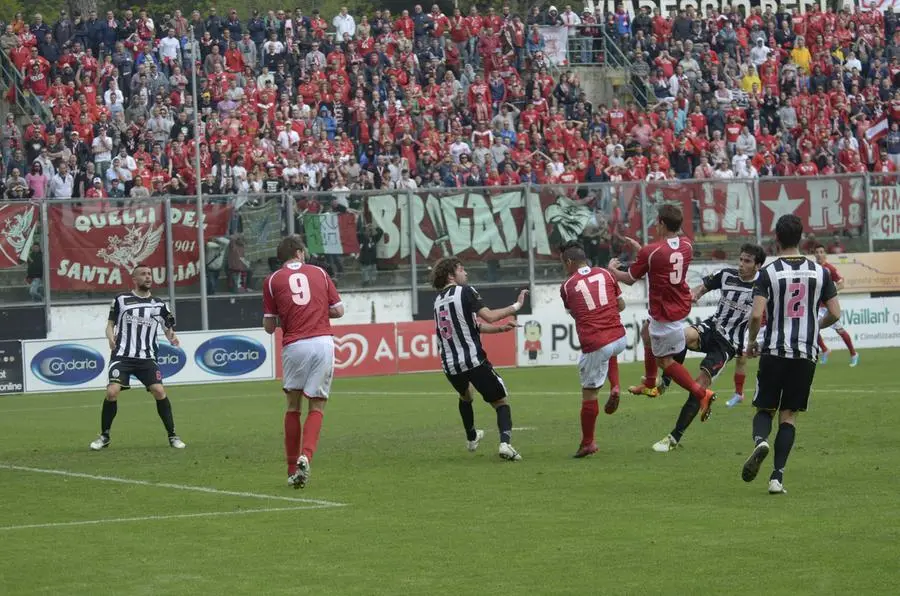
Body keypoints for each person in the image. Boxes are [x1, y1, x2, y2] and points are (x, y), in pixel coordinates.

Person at [742, 214, 841, 495]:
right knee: (789, 416)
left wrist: (751, 342)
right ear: (801, 238)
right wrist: (814, 328)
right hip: (805, 352)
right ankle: (777, 478)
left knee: (764, 408)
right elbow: (835, 313)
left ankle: (761, 440)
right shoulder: (820, 272)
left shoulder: (768, 273)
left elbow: (757, 314)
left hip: (774, 349)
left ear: (776, 239)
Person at [652, 244, 766, 453]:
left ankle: (674, 437)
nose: (741, 264)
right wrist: (693, 296)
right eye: (740, 259)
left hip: (728, 344)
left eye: (747, 261)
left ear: (758, 265)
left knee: (700, 385)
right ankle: (665, 382)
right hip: (712, 327)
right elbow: (702, 287)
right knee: (681, 336)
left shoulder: (762, 287)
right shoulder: (726, 274)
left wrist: (755, 342)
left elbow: (765, 316)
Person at [608, 204, 716, 415]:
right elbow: (662, 261)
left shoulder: (652, 251)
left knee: (664, 361)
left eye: (657, 221)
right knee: (645, 332)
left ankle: (702, 394)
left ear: (662, 224)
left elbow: (630, 278)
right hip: (678, 306)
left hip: (665, 312)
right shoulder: (687, 245)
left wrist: (611, 271)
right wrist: (642, 251)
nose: (656, 225)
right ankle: (649, 384)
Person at [263, 235, 344, 489]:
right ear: (298, 252)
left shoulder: (273, 280)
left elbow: (268, 326)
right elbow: (339, 310)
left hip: (294, 345)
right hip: (321, 342)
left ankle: (290, 469)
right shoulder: (319, 272)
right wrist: (319, 310)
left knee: (293, 406)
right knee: (317, 406)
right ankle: (305, 456)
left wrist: (285, 316)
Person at [431, 257, 525, 461]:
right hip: (473, 360)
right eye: (462, 269)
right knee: (501, 402)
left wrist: (501, 329)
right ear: (451, 275)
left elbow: (476, 326)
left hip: (450, 365)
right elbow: (489, 316)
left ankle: (472, 437)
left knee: (466, 396)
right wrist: (516, 306)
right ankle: (505, 444)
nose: (466, 273)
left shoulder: (438, 301)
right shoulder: (465, 291)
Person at [90, 264, 185, 450]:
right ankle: (104, 436)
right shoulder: (121, 299)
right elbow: (110, 325)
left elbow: (168, 328)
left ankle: (173, 435)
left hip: (146, 358)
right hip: (123, 356)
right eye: (143, 274)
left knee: (159, 390)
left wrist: (172, 337)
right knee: (112, 392)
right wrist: (110, 338)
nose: (148, 277)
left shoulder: (159, 304)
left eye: (150, 274)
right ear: (134, 279)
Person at [559, 240, 627, 458]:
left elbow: (576, 313)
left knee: (589, 395)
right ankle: (615, 385)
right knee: (609, 352)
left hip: (596, 343)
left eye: (563, 264)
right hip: (619, 337)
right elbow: (621, 305)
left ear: (569, 262)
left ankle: (588, 443)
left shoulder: (567, 286)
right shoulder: (606, 274)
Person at [812, 244, 858, 367]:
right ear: (814, 254)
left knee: (840, 330)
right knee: (812, 328)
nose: (819, 254)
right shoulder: (813, 269)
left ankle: (853, 354)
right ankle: (825, 350)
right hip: (816, 306)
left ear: (825, 254)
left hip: (828, 306)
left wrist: (829, 293)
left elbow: (841, 284)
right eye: (817, 252)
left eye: (821, 252)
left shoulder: (829, 269)